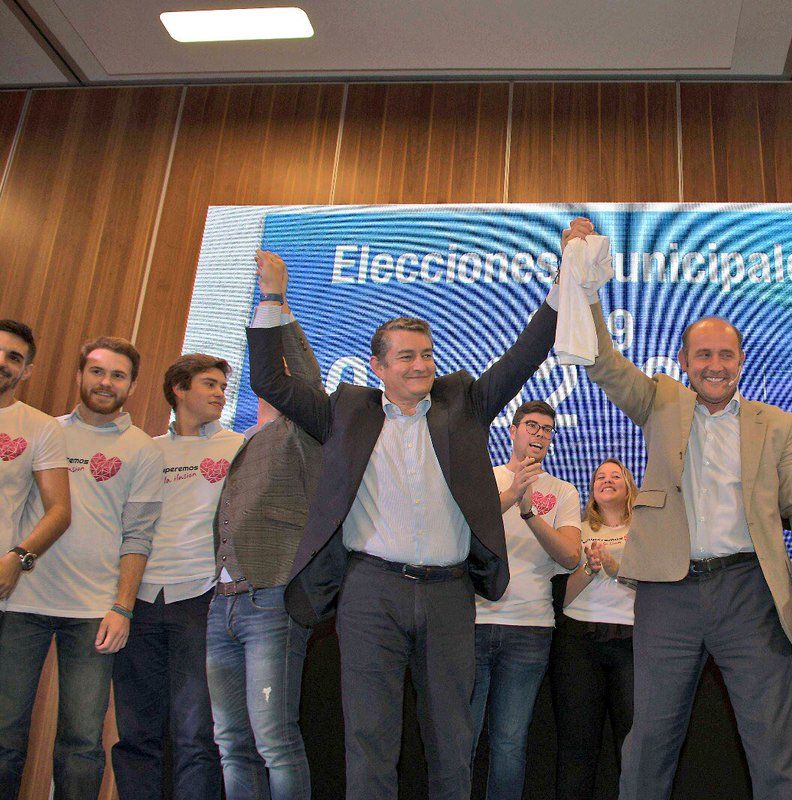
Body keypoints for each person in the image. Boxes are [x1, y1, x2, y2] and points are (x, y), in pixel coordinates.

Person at [247, 222, 572, 800]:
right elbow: (271, 379)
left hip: (450, 594)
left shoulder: (463, 404)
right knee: (369, 736)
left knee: (452, 736)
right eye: (406, 357)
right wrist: (271, 299)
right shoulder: (346, 410)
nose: (420, 366)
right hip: (371, 591)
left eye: (426, 355)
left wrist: (565, 274)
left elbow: (529, 352)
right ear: (377, 367)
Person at [581, 254, 792, 800]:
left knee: (774, 741)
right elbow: (602, 361)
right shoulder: (660, 401)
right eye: (703, 355)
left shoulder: (778, 425)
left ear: (741, 360)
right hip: (668, 593)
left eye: (725, 354)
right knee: (650, 740)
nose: (714, 364)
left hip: (750, 595)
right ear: (684, 361)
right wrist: (585, 283)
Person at [0, 336, 160, 800]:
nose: (105, 382)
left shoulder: (142, 450)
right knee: (4, 736)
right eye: (96, 371)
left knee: (81, 744)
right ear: (79, 374)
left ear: (131, 385)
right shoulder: (42, 429)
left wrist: (122, 607)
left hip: (94, 613)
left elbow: (138, 537)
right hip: (20, 602)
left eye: (117, 375)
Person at [206, 252, 323, 800]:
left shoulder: (303, 428)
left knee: (274, 739)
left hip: (269, 601)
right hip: (220, 603)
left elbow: (302, 372)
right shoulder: (241, 439)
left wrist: (275, 300)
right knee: (230, 739)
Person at [112, 353, 245, 800]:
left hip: (201, 600)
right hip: (140, 600)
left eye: (224, 388)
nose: (220, 394)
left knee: (195, 735)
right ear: (178, 390)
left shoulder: (237, 446)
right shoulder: (146, 449)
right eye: (209, 384)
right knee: (136, 733)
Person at [471, 400, 581, 800]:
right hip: (474, 622)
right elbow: (459, 535)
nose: (538, 434)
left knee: (510, 743)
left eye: (547, 429)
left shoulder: (563, 492)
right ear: (512, 431)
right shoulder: (482, 478)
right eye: (531, 425)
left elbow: (571, 556)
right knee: (460, 738)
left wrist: (530, 511)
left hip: (530, 629)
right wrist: (511, 493)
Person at [551, 458, 637, 800]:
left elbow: (660, 588)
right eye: (600, 476)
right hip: (578, 640)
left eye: (616, 475)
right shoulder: (577, 530)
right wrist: (589, 569)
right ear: (592, 490)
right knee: (576, 744)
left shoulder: (646, 529)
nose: (607, 479)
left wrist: (616, 568)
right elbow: (561, 598)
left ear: (629, 487)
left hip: (632, 640)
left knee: (634, 745)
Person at [0, 319, 71, 606]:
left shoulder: (41, 427)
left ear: (27, 371)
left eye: (13, 357)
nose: (2, 361)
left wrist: (17, 558)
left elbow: (59, 511)